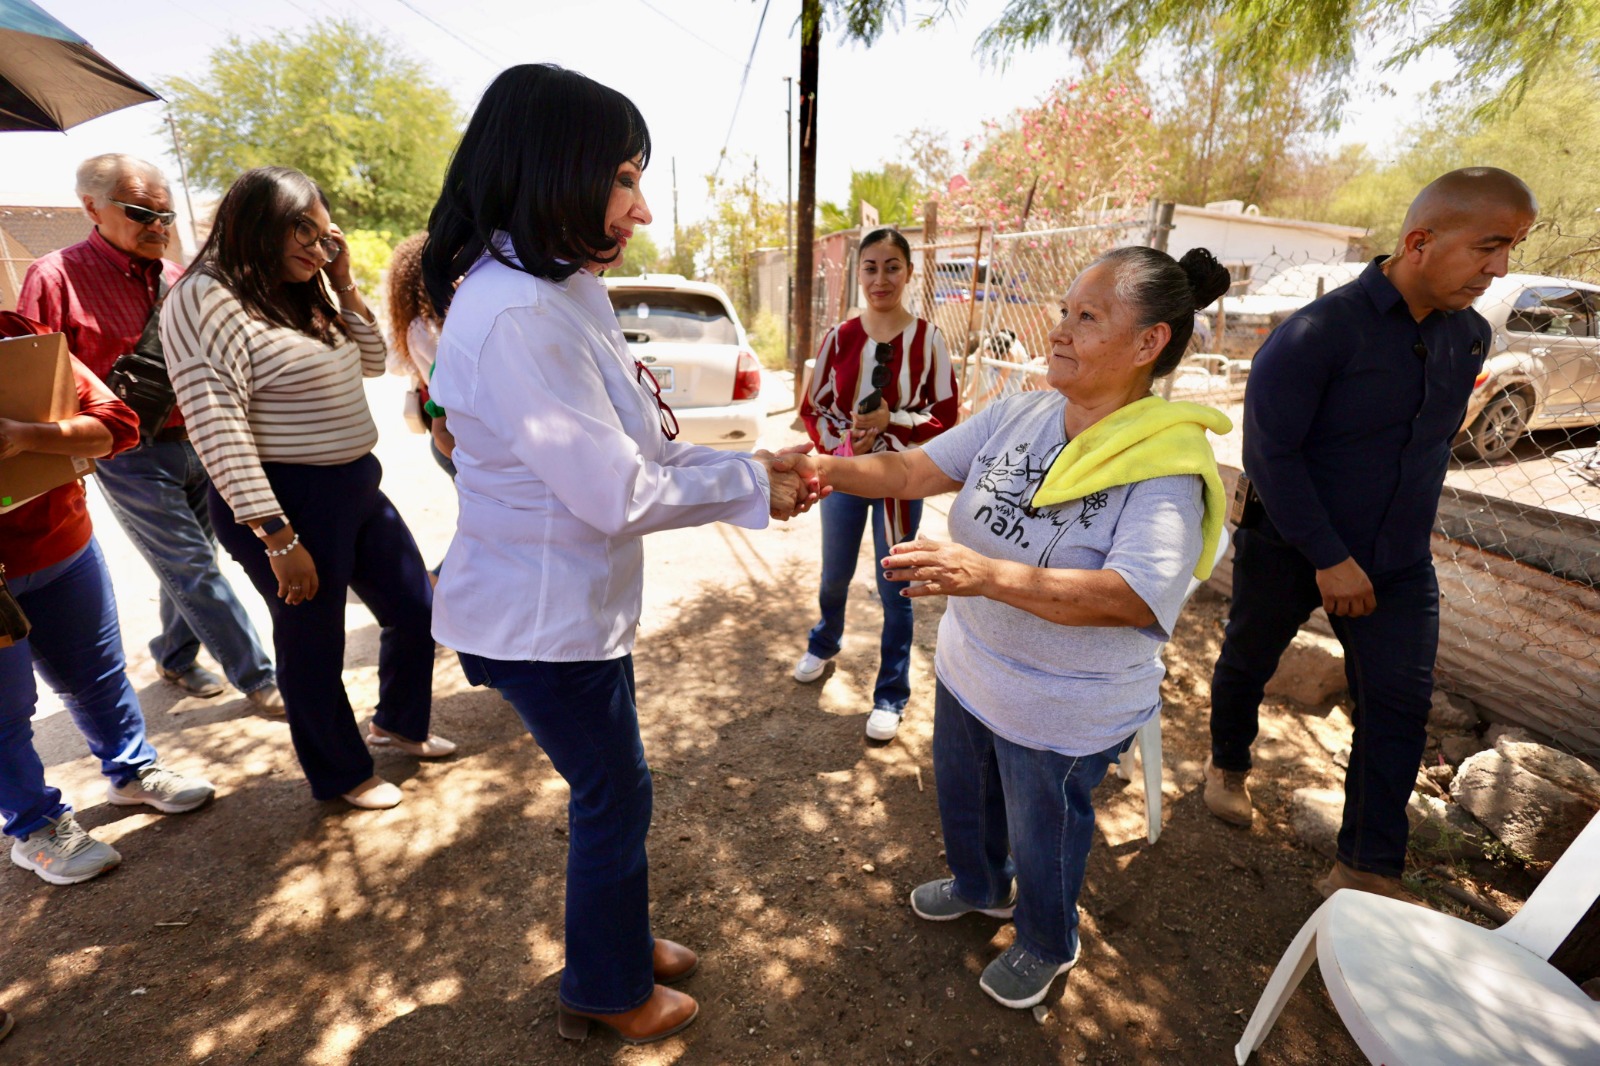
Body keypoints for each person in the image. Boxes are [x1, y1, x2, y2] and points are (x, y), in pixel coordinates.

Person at [422, 64, 814, 1046]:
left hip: (570, 612)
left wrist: (748, 463)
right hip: (538, 619)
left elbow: (641, 439)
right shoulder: (517, 313)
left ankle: (621, 939)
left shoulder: (558, 287)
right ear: (555, 171)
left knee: (618, 785)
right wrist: (753, 482)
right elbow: (615, 491)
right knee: (614, 791)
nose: (639, 206)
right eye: (624, 178)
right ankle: (604, 986)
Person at [786, 245, 1233, 1009]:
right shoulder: (1024, 412)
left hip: (1063, 707)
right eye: (1064, 311)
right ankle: (981, 888)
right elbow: (912, 470)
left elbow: (1133, 595)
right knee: (966, 804)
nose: (1059, 330)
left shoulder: (1168, 464)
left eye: (1086, 317)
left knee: (1046, 833)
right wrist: (823, 469)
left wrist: (983, 574)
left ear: (1148, 343)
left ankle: (1047, 940)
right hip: (972, 669)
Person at [1203, 169, 1539, 899]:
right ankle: (1227, 761)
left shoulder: (1472, 337)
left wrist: (1375, 552)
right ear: (1419, 241)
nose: (1502, 268)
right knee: (1247, 659)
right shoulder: (1316, 333)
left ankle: (1363, 869)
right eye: (1489, 246)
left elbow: (1425, 446)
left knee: (1397, 704)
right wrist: (1330, 556)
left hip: (1396, 561)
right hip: (1289, 545)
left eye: (1512, 247)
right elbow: (1271, 455)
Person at [161, 166, 455, 811]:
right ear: (259, 221)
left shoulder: (304, 288)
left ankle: (398, 724)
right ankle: (340, 773)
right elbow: (217, 424)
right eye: (304, 230)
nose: (318, 247)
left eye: (326, 236)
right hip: (285, 499)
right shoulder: (205, 297)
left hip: (355, 483)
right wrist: (276, 534)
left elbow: (375, 360)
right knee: (312, 642)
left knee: (416, 607)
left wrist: (342, 282)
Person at [17, 154, 281, 712]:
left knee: (184, 562)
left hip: (199, 444)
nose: (158, 226)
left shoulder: (177, 276)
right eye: (142, 213)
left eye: (165, 216)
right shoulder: (54, 277)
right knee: (191, 565)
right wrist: (64, 456)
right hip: (128, 454)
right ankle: (260, 679)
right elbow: (39, 378)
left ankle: (175, 656)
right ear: (92, 207)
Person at [2, 314, 216, 886]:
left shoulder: (17, 339)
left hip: (61, 547)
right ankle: (35, 828)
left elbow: (116, 426)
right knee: (4, 711)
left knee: (97, 673)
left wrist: (25, 435)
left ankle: (132, 771)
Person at [794, 228, 959, 742]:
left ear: (909, 273)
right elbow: (814, 406)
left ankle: (891, 694)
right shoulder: (839, 338)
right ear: (857, 273)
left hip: (898, 483)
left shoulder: (928, 339)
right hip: (843, 476)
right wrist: (845, 448)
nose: (880, 278)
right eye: (870, 267)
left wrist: (894, 422)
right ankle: (825, 642)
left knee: (897, 587)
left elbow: (946, 416)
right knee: (834, 573)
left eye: (892, 266)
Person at [383, 233, 457, 477]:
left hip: (448, 431)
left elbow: (396, 365)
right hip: (449, 432)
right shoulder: (425, 327)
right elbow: (455, 372)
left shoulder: (418, 325)